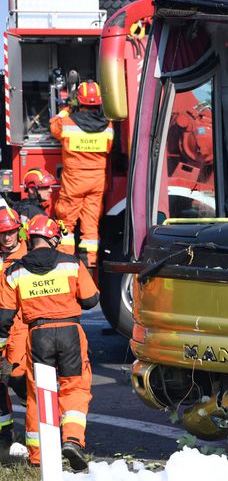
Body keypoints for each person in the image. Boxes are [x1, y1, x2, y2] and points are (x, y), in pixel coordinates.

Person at [0, 215, 98, 470]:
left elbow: (4, 317)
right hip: (70, 333)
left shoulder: (15, 270)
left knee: (37, 395)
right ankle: (73, 440)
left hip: (38, 334)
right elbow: (90, 300)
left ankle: (37, 459)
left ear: (28, 239)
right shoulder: (71, 263)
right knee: (74, 387)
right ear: (53, 238)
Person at [50, 81, 114, 266]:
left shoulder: (68, 122)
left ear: (79, 101)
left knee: (67, 224)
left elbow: (53, 125)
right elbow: (109, 148)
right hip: (97, 183)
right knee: (91, 224)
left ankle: (64, 260)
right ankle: (89, 262)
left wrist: (67, 109)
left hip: (74, 182)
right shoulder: (108, 126)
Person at [0, 208, 25, 451]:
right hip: (2, 325)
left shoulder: (29, 255)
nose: (7, 238)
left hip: (20, 326)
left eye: (11, 232)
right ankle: (5, 437)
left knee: (19, 378)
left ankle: (38, 425)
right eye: (3, 234)